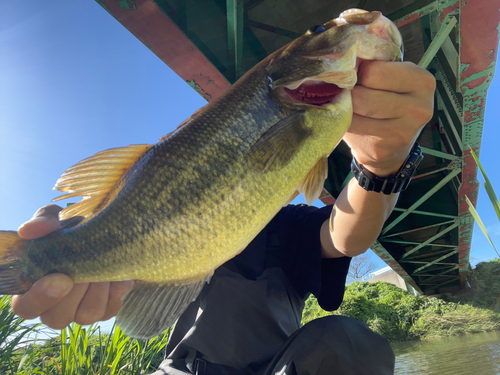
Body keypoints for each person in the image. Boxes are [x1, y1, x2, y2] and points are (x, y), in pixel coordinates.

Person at [11, 61, 435, 374]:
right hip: (178, 370)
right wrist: (65, 243)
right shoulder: (160, 224)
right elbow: (117, 234)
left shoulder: (289, 226)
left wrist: (382, 165)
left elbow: (345, 237)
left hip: (278, 367)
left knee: (353, 346)